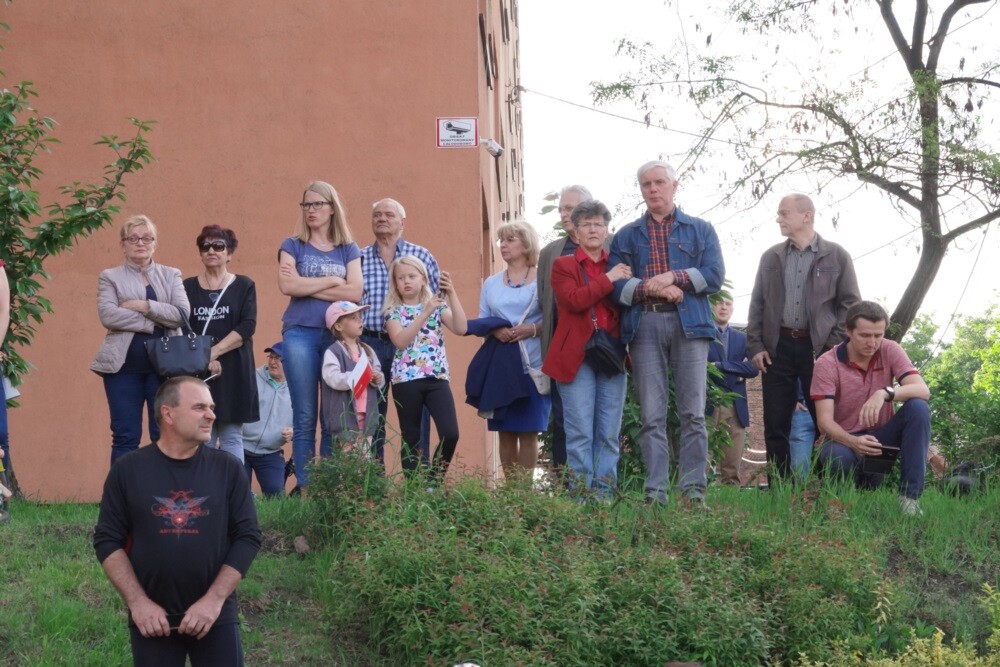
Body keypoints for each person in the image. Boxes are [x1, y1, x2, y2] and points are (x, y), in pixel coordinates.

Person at [93, 376, 261, 665]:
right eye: (199, 407)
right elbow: (107, 540)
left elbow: (248, 537)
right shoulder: (128, 470)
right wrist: (138, 604)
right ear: (168, 414)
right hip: (152, 620)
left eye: (211, 407)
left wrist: (214, 601)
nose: (211, 415)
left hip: (215, 616)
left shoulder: (228, 469)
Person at [608, 161, 725, 506]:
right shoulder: (626, 235)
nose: (653, 189)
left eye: (659, 182)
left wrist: (675, 277)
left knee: (693, 413)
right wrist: (652, 287)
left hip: (691, 325)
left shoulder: (701, 230)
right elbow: (615, 287)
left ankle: (693, 493)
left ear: (674, 186)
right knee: (651, 415)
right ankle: (656, 493)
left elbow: (715, 276)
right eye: (646, 184)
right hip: (644, 324)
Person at [747, 193, 861, 481]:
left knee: (827, 422)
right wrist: (756, 345)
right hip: (777, 348)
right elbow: (757, 303)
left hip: (820, 350)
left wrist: (832, 345)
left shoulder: (837, 255)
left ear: (806, 215)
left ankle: (824, 486)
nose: (778, 219)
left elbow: (850, 305)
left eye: (784, 213)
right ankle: (780, 489)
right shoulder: (771, 257)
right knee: (775, 423)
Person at [541, 200, 631, 499]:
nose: (593, 229)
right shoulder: (564, 265)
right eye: (586, 224)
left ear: (606, 230)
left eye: (598, 224)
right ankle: (580, 500)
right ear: (576, 232)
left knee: (609, 433)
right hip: (575, 357)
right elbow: (575, 301)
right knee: (579, 433)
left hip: (612, 354)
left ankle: (603, 500)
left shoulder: (618, 264)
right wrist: (609, 279)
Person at [277, 180, 362, 492]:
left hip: (334, 337)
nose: (311, 210)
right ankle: (306, 488)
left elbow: (355, 292)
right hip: (299, 333)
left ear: (332, 208)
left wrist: (306, 284)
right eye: (306, 205)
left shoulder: (348, 248)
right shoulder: (292, 245)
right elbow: (287, 286)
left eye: (317, 204)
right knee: (304, 416)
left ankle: (325, 487)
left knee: (331, 416)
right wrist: (331, 280)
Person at [811, 301, 931, 516]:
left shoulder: (890, 349)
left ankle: (909, 499)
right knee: (838, 458)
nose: (872, 343)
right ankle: (841, 505)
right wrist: (853, 442)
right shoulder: (826, 363)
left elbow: (923, 390)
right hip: (843, 444)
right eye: (865, 335)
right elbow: (824, 422)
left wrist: (884, 393)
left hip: (880, 444)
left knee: (918, 407)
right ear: (848, 331)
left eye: (878, 335)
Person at [91, 215, 190, 464]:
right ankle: (122, 489)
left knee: (164, 433)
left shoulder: (171, 274)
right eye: (133, 238)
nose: (140, 243)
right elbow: (108, 315)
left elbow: (181, 314)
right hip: (123, 369)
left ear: (155, 244)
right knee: (125, 436)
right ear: (123, 244)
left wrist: (144, 306)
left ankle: (164, 488)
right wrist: (154, 321)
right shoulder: (110, 276)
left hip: (165, 369)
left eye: (147, 238)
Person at [359, 198, 439, 464]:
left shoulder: (421, 255)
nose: (382, 218)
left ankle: (418, 478)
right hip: (371, 342)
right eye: (377, 215)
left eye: (389, 215)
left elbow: (437, 299)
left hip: (413, 346)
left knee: (415, 417)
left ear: (402, 222)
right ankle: (374, 479)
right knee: (372, 415)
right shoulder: (358, 258)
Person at [479, 221, 551, 477]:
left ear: (526, 244)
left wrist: (532, 329)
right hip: (501, 367)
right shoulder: (491, 283)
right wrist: (496, 330)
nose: (503, 245)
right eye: (501, 240)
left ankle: (525, 493)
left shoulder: (543, 278)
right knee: (506, 431)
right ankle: (510, 492)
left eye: (510, 240)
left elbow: (554, 318)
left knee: (529, 431)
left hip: (534, 366)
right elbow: (483, 320)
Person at [385, 257, 467, 477]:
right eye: (401, 278)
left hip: (437, 377)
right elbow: (400, 341)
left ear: (423, 279)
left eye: (411, 276)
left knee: (450, 433)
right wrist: (424, 313)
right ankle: (413, 489)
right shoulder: (393, 311)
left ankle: (433, 482)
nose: (406, 281)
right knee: (411, 437)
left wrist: (452, 293)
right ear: (395, 283)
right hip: (406, 379)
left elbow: (461, 328)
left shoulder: (437, 306)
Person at [184, 225, 259, 463]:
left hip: (235, 369)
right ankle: (206, 484)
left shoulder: (244, 285)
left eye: (218, 246)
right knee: (203, 436)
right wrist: (204, 359)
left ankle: (235, 486)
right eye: (205, 246)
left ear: (229, 253)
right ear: (200, 253)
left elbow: (247, 326)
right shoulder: (187, 287)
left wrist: (212, 353)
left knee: (232, 436)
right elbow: (184, 329)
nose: (211, 251)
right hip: (199, 371)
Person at [537, 184, 594, 473]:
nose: (563, 214)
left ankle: (600, 488)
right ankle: (565, 486)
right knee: (563, 420)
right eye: (561, 209)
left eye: (569, 208)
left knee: (600, 421)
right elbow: (544, 299)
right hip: (563, 348)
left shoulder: (610, 246)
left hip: (600, 346)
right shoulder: (550, 253)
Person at [706, 297, 758, 486]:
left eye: (728, 304)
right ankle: (696, 498)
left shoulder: (743, 338)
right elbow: (701, 366)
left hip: (735, 406)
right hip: (707, 403)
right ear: (711, 306)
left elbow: (753, 368)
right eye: (719, 303)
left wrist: (719, 365)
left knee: (731, 467)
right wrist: (737, 369)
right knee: (702, 461)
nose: (724, 307)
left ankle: (730, 500)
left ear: (733, 309)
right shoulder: (703, 334)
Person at [321, 301, 385, 453]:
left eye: (359, 317)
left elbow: (377, 371)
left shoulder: (367, 350)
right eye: (353, 318)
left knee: (365, 459)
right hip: (345, 419)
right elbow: (332, 378)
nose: (359, 321)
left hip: (366, 416)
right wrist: (356, 376)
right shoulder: (333, 352)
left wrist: (377, 378)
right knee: (347, 461)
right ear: (339, 326)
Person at [242, 342, 293, 498]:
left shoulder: (297, 388)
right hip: (241, 446)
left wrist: (293, 432)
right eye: (270, 357)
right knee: (238, 492)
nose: (272, 362)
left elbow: (304, 421)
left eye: (278, 358)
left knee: (276, 495)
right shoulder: (252, 377)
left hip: (271, 451)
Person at [788, 381, 816, 480]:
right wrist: (792, 402)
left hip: (835, 408)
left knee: (836, 459)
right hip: (803, 408)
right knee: (799, 470)